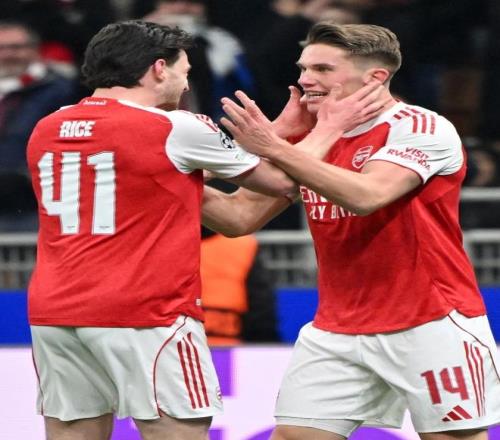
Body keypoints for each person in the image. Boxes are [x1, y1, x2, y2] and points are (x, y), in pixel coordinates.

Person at [202, 22, 500, 440]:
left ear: (375, 77)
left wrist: (274, 146)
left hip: (430, 321)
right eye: (304, 68)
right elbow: (237, 218)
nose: (306, 80)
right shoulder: (312, 139)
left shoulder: (420, 127)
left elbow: (367, 194)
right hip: (336, 328)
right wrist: (171, 176)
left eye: (323, 69)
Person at [25, 19, 304, 440]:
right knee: (177, 432)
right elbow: (282, 183)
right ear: (159, 68)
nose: (186, 84)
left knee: (72, 433)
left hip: (55, 312)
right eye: (184, 71)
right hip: (147, 311)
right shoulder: (175, 127)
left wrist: (268, 139)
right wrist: (310, 133)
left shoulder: (48, 127)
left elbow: (156, 175)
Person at [0, 20, 78, 231]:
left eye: (16, 47)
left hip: (32, 202)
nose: (7, 54)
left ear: (35, 50)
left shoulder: (62, 90)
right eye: (1, 48)